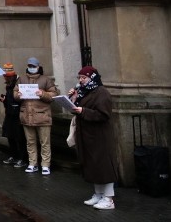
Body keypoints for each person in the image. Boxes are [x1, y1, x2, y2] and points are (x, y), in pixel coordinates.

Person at [69, 66, 119, 210]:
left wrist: (83, 111)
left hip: (100, 136)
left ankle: (108, 198)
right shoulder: (84, 92)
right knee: (93, 164)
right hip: (87, 135)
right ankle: (98, 194)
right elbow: (78, 109)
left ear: (92, 77)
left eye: (83, 78)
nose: (81, 80)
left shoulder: (101, 92)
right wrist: (73, 99)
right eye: (79, 78)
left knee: (104, 166)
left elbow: (103, 114)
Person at [13, 56, 59, 175]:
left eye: (33, 66)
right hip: (27, 116)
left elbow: (54, 94)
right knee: (30, 142)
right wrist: (18, 95)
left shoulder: (46, 80)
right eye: (30, 66)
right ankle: (32, 163)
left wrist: (42, 94)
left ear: (38, 67)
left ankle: (45, 165)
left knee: (45, 142)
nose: (31, 68)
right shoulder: (22, 79)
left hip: (42, 116)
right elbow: (15, 93)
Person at [0, 63, 28, 169]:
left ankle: (22, 158)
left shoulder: (19, 83)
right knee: (10, 135)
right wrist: (5, 100)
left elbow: (21, 98)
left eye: (6, 76)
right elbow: (10, 98)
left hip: (18, 113)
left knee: (19, 137)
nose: (5, 78)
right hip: (10, 113)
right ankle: (14, 155)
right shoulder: (9, 85)